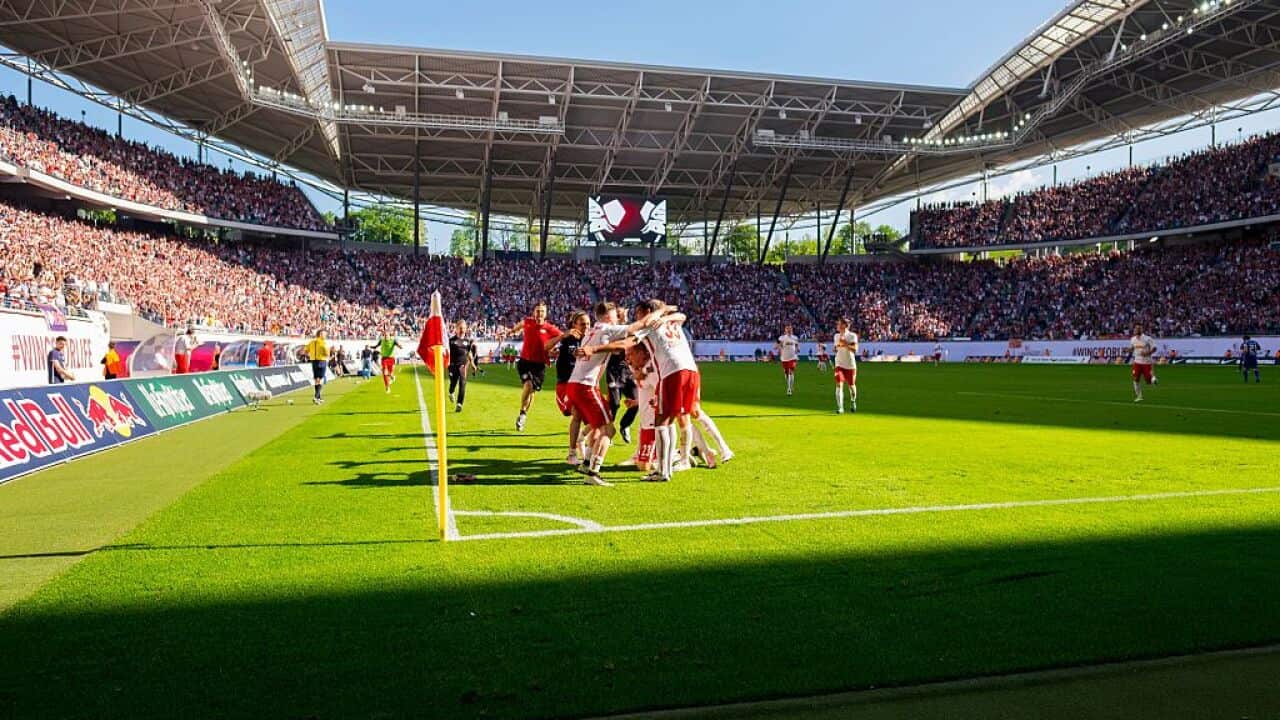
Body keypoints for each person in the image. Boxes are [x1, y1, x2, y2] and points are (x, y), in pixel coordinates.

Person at [565, 302, 632, 485]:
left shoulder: (591, 331)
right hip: (585, 386)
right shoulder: (605, 329)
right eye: (616, 316)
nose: (618, 319)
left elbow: (615, 346)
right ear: (609, 316)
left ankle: (586, 463)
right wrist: (660, 316)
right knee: (608, 430)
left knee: (596, 426)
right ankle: (593, 473)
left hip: (577, 384)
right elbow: (636, 328)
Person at [507, 302, 561, 432]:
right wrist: (512, 331)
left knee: (531, 391)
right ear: (533, 312)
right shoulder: (528, 322)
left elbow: (562, 337)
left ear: (545, 314)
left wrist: (555, 350)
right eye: (537, 311)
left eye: (542, 311)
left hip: (539, 365)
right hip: (525, 362)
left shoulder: (550, 328)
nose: (539, 314)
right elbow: (520, 325)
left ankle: (523, 414)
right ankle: (522, 413)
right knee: (528, 385)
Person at [548, 310, 591, 466]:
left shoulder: (591, 339)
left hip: (583, 383)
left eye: (588, 324)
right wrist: (561, 338)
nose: (586, 327)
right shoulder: (568, 338)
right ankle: (572, 453)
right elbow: (548, 347)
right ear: (574, 325)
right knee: (577, 414)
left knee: (602, 416)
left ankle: (582, 438)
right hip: (565, 384)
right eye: (582, 324)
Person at [447, 321, 479, 412]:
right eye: (460, 328)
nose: (462, 330)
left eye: (464, 328)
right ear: (456, 329)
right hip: (453, 366)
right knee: (453, 383)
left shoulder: (467, 341)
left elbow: (469, 353)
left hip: (463, 366)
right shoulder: (451, 341)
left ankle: (459, 404)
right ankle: (451, 392)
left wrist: (472, 364)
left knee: (463, 383)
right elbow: (446, 352)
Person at [833, 318, 858, 414]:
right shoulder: (836, 336)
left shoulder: (852, 336)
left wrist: (845, 344)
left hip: (850, 365)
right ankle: (840, 408)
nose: (837, 325)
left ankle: (853, 400)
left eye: (839, 324)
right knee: (839, 384)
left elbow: (855, 350)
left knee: (852, 386)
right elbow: (836, 348)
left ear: (844, 325)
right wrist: (835, 349)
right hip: (839, 364)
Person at [1130, 324, 1157, 402]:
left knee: (1148, 381)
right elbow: (1132, 348)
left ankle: (1153, 379)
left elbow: (1154, 348)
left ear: (1141, 329)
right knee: (1136, 379)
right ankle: (1139, 396)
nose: (1136, 330)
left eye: (1138, 328)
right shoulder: (1133, 339)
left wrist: (1147, 353)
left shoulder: (1148, 339)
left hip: (1146, 362)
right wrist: (1128, 350)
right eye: (1135, 328)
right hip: (1137, 362)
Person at [775, 324, 801, 396]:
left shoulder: (795, 338)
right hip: (784, 358)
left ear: (792, 330)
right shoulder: (782, 338)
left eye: (790, 329)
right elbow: (776, 346)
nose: (789, 330)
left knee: (791, 372)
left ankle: (789, 388)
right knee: (786, 373)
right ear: (785, 330)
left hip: (793, 357)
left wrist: (797, 349)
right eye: (787, 329)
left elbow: (797, 345)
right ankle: (789, 385)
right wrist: (778, 347)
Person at [304, 329, 328, 405]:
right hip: (321, 361)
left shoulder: (311, 342)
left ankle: (318, 398)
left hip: (314, 361)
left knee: (316, 379)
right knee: (321, 379)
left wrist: (310, 356)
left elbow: (305, 351)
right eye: (324, 334)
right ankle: (316, 396)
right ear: (320, 335)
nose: (325, 336)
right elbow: (327, 353)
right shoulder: (323, 342)